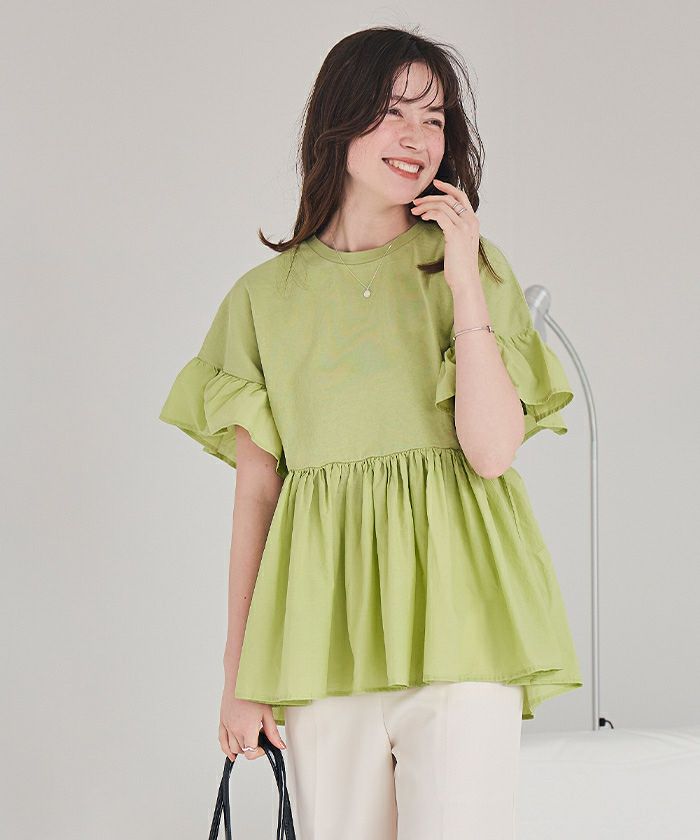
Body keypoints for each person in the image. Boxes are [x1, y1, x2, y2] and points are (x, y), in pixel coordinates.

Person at [159, 25, 583, 840]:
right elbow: (257, 496)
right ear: (339, 121)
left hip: (463, 618)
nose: (417, 137)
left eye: (435, 119)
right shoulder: (262, 300)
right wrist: (239, 675)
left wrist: (464, 278)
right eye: (393, 112)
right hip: (325, 630)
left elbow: (492, 451)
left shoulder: (470, 268)